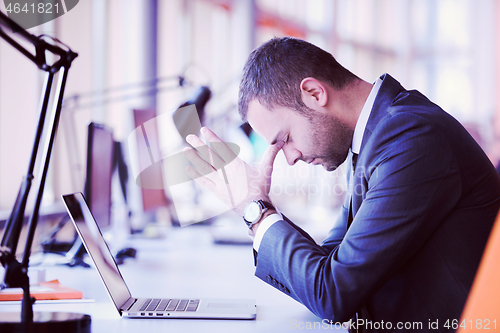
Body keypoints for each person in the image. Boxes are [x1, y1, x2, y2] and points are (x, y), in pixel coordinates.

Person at [183, 37, 500, 332]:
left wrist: (255, 210)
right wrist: (261, 207)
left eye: (286, 139)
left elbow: (333, 295)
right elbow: (329, 264)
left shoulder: (410, 137)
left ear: (315, 93)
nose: (290, 158)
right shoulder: (376, 137)